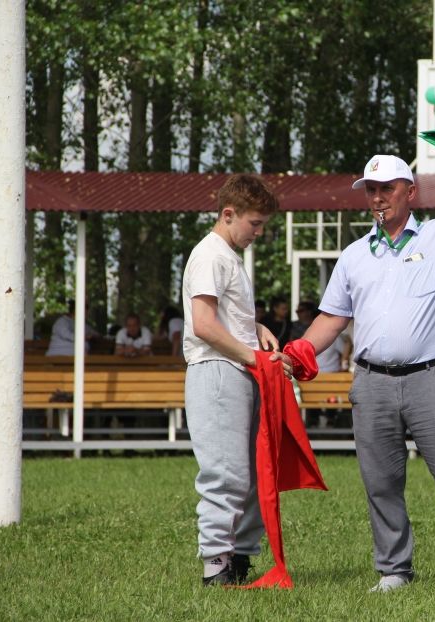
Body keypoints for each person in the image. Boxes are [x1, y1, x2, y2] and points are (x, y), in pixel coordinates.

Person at [293, 153, 435, 593]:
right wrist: (300, 349)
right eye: (372, 190)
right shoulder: (354, 256)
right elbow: (331, 319)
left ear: (410, 192)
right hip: (371, 382)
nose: (378, 198)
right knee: (380, 482)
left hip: (430, 379)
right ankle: (394, 570)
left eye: (388, 189)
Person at [181, 173, 285, 586]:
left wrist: (253, 326)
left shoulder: (227, 255)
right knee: (227, 473)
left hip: (237, 369)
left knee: (253, 471)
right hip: (217, 371)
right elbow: (204, 325)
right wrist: (254, 357)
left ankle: (239, 558)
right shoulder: (210, 254)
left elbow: (222, 316)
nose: (259, 232)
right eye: (255, 223)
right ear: (228, 214)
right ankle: (216, 567)